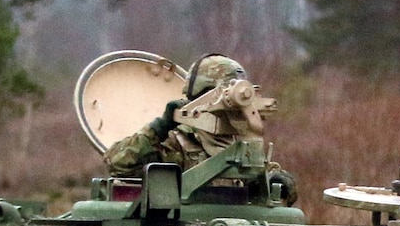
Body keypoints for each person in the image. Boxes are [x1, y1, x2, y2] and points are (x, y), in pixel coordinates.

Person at [103, 53, 297, 205]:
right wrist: (160, 127)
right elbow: (118, 164)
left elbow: (275, 191)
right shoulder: (175, 144)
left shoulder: (242, 146)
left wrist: (279, 181)